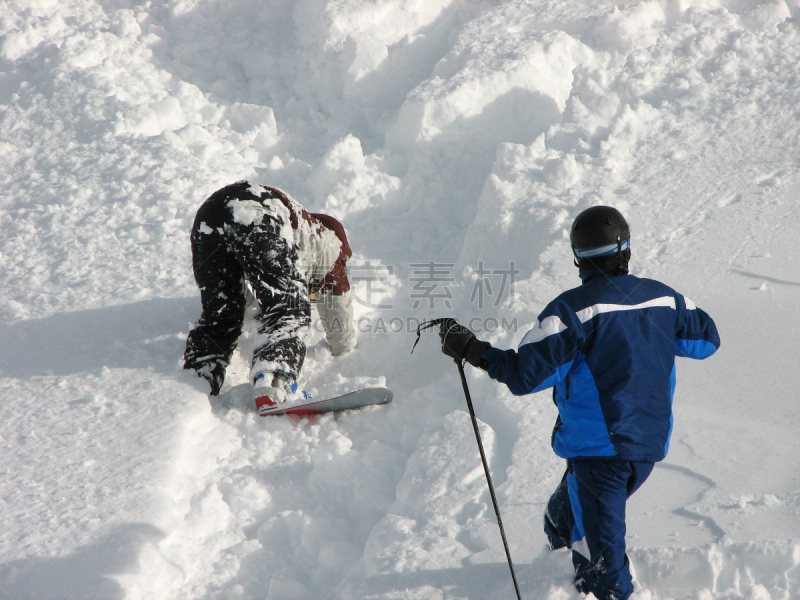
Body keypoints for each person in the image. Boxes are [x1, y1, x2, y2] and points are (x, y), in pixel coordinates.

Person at [438, 206, 720, 600]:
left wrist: (472, 349)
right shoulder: (664, 299)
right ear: (627, 250)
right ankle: (556, 581)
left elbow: (524, 375)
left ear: (577, 257)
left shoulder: (571, 311)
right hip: (646, 448)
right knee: (561, 520)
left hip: (600, 454)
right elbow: (707, 339)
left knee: (604, 576)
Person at [183, 181, 356, 415]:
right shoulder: (331, 245)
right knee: (290, 309)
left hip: (209, 216)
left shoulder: (297, 232)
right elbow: (338, 309)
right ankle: (273, 379)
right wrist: (344, 351)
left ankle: (196, 381)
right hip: (255, 211)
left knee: (221, 316)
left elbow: (241, 299)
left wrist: (260, 316)